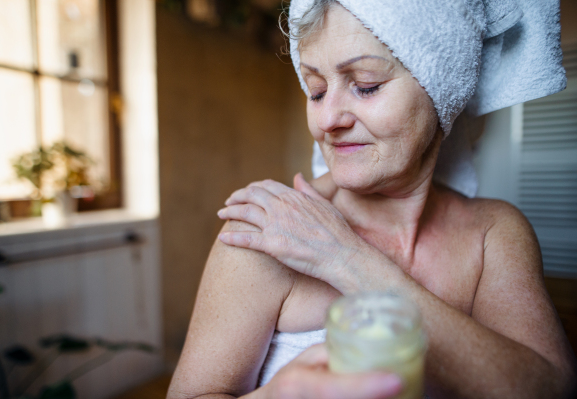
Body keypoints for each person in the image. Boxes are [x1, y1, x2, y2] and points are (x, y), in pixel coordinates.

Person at [168, 0, 577, 398]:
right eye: (315, 91)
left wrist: (347, 259)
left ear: (442, 87)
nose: (328, 120)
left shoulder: (494, 235)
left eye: (366, 86)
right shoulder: (267, 232)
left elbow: (547, 387)